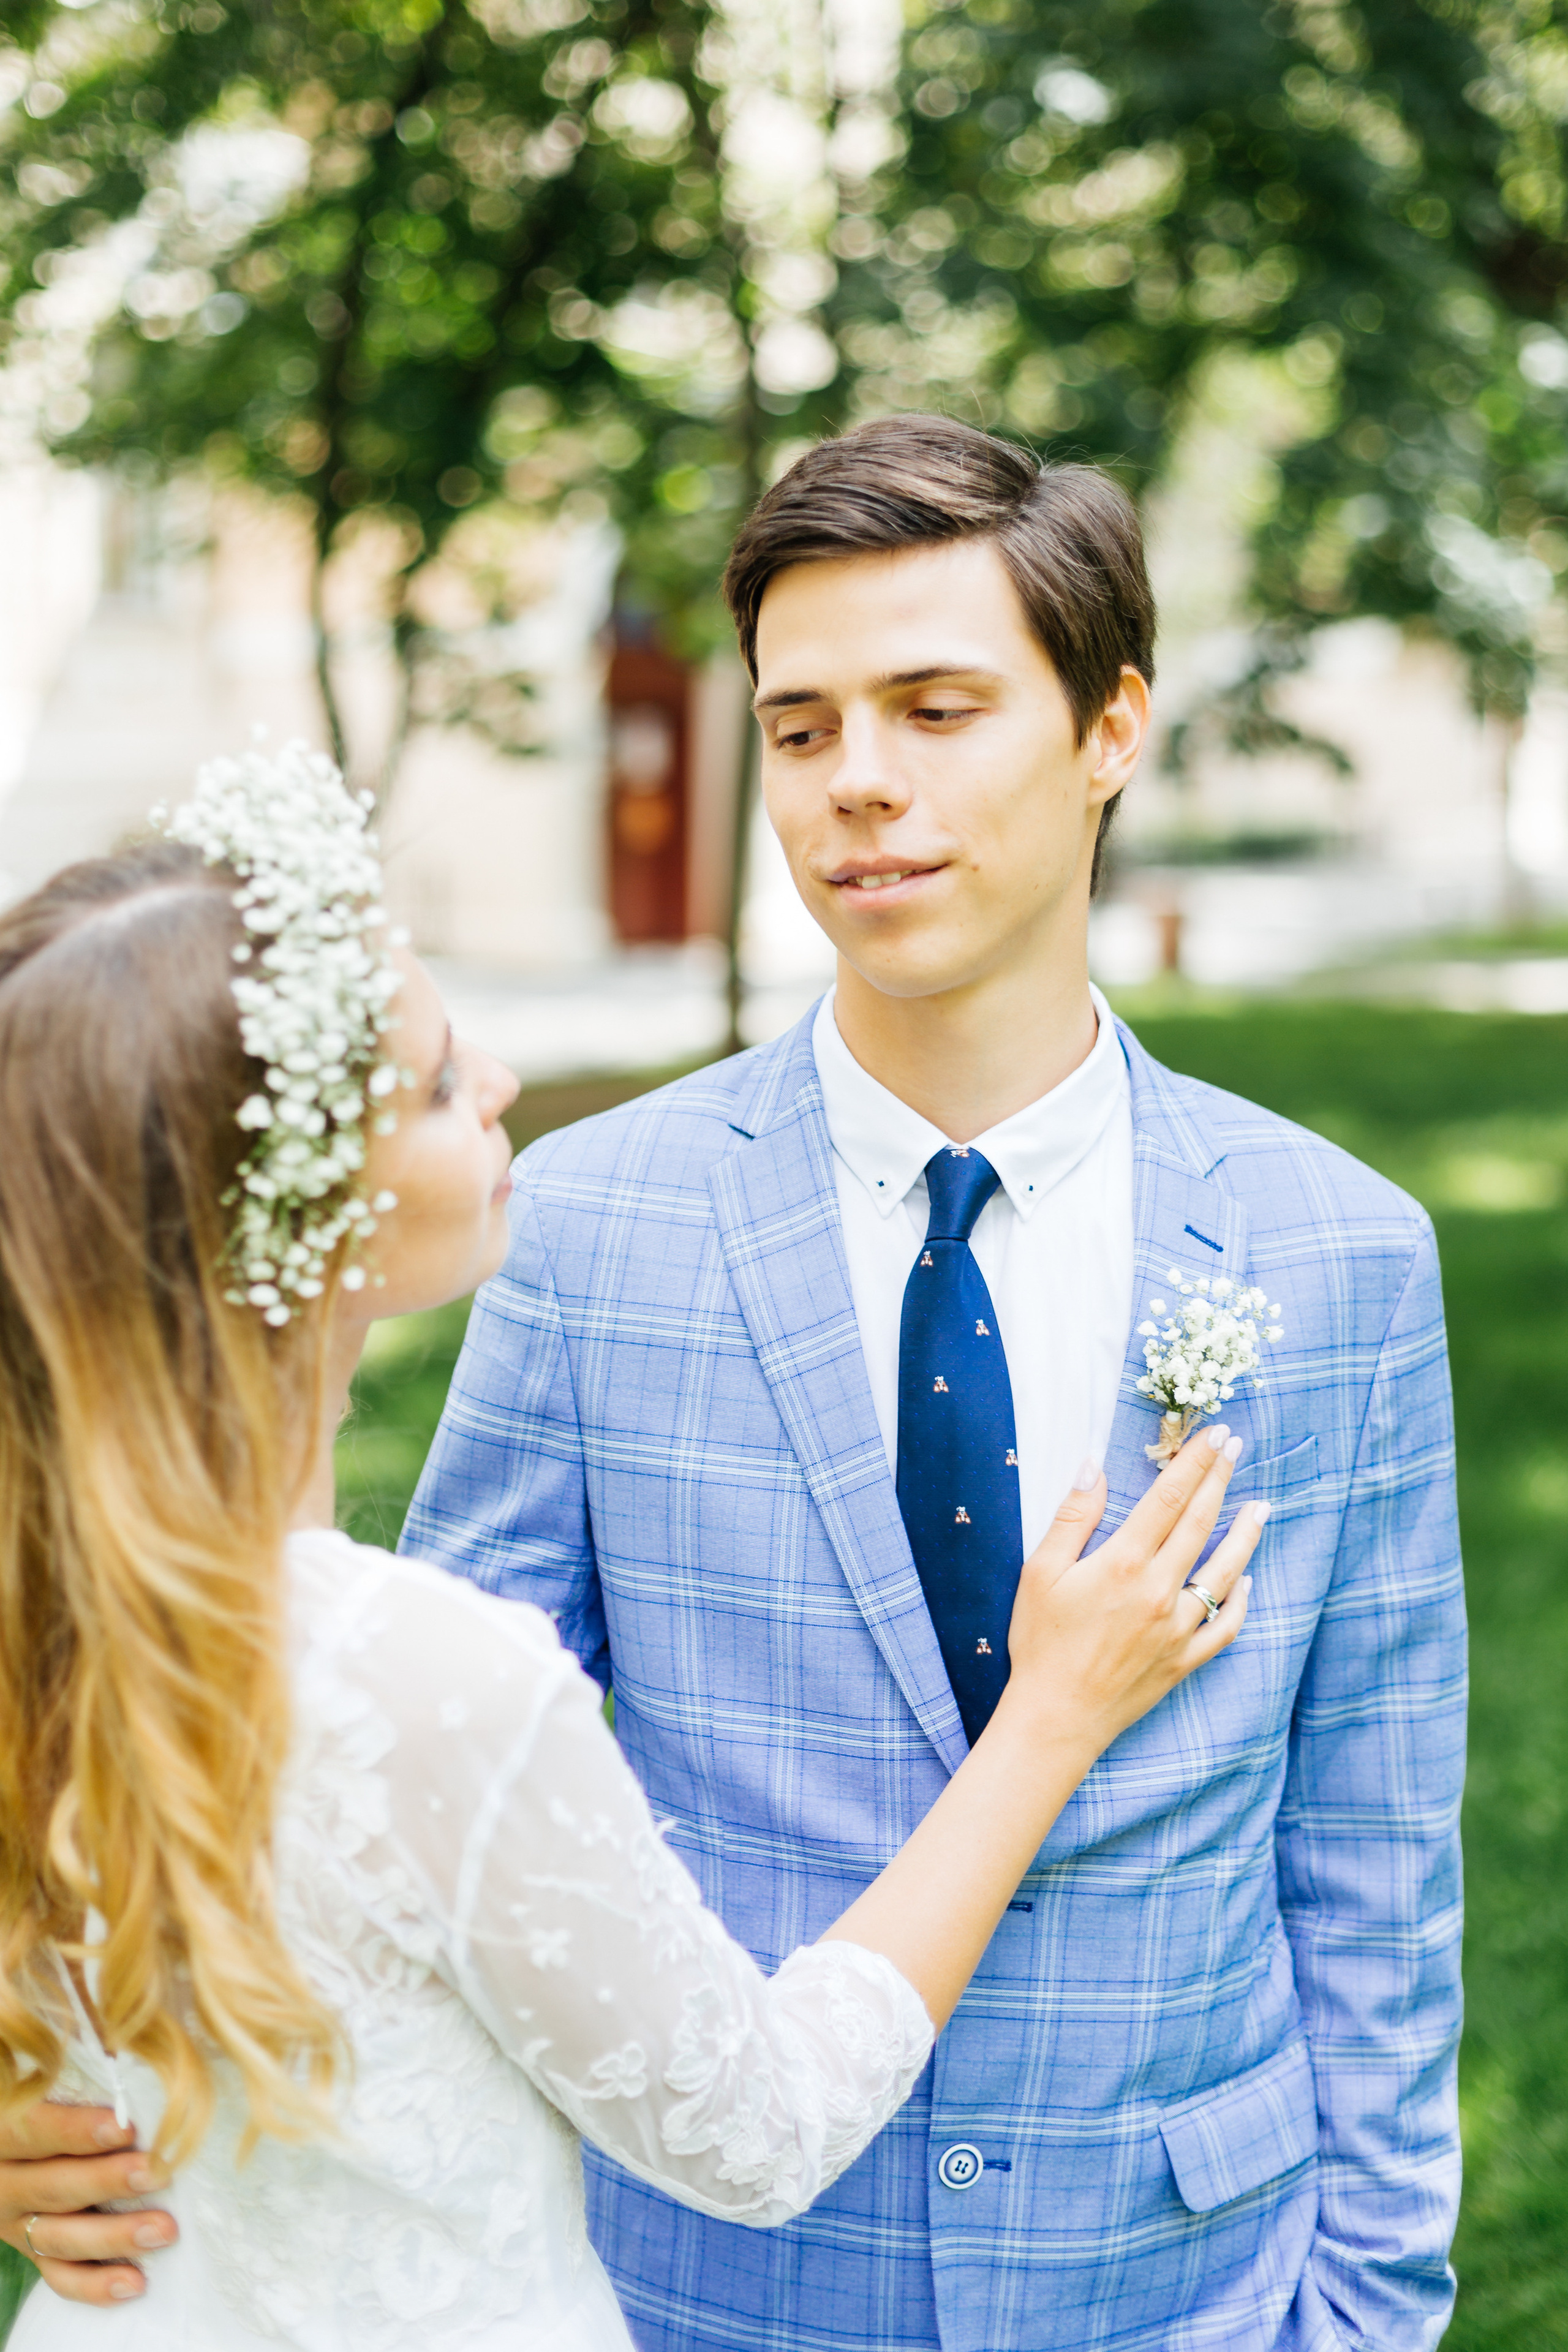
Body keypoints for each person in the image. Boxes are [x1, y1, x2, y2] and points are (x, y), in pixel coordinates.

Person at [396, 418, 1466, 2350]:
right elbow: (433, 1801)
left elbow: (1375, 1868)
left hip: (1182, 2286)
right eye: (800, 728)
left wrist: (1370, 2315)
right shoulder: (590, 1227)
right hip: (717, 2285)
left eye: (936, 707)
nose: (857, 785)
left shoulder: (1344, 1256)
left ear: (1111, 729)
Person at [0, 742, 1258, 2345]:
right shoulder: (430, 1684)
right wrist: (1054, 1716)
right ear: (308, 1212)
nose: (507, 1082)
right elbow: (759, 2130)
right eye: (446, 1081)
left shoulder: (36, 1606)